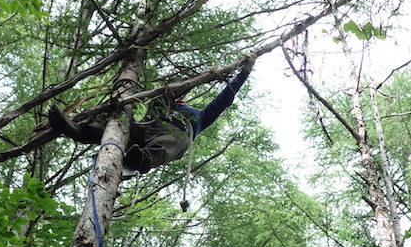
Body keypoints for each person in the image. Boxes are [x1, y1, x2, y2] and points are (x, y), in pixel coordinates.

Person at [48, 54, 255, 174]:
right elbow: (176, 88)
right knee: (119, 121)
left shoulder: (198, 118)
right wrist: (201, 76)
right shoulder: (162, 104)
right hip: (147, 128)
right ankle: (80, 131)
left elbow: (222, 101)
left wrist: (243, 73)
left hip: (177, 133)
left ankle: (141, 159)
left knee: (168, 142)